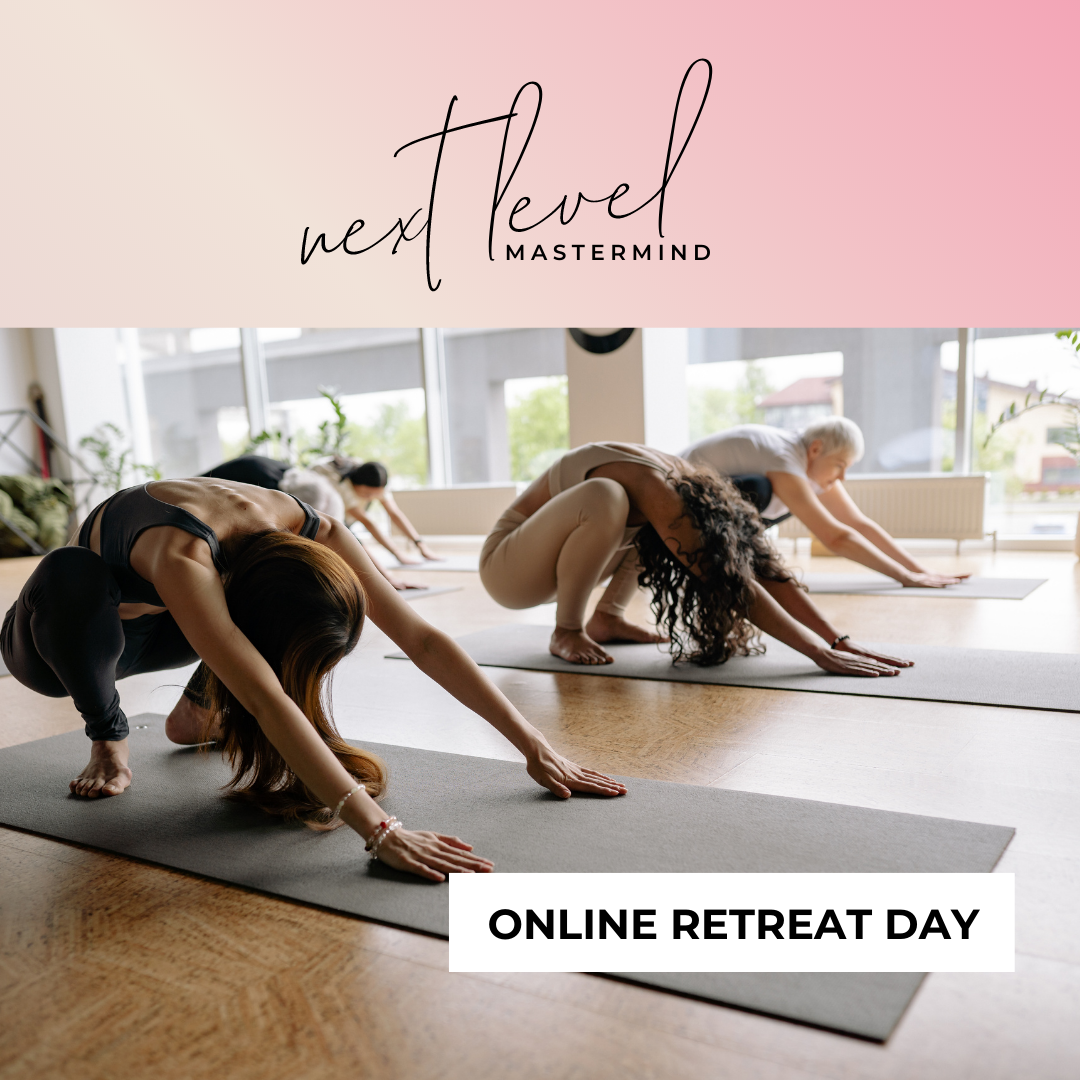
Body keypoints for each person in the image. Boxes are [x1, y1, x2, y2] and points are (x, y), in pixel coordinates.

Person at [0, 477, 625, 882]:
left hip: (174, 624)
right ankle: (107, 737)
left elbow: (423, 640)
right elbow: (267, 700)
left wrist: (533, 746)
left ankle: (198, 707)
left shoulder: (318, 533)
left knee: (204, 711)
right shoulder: (183, 556)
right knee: (71, 574)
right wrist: (379, 830)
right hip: (60, 647)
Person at [480, 441, 913, 672]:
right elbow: (726, 580)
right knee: (604, 496)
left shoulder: (690, 485)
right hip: (508, 570)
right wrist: (815, 651)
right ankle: (566, 630)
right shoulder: (656, 485)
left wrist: (836, 639)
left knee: (646, 526)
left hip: (556, 565)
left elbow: (762, 570)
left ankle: (606, 618)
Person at [681, 419, 968, 589]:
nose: (843, 477)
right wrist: (904, 578)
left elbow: (857, 524)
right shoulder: (784, 457)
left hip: (709, 501)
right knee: (762, 489)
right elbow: (835, 537)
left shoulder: (809, 463)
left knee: (791, 494)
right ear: (816, 448)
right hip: (679, 500)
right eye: (840, 465)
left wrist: (920, 571)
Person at [201, 454, 424, 590]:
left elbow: (347, 538)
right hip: (250, 473)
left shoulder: (324, 497)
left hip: (273, 473)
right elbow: (351, 538)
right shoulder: (269, 504)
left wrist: (387, 578)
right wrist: (386, 578)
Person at [309, 458, 445, 566]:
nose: (371, 498)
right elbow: (368, 523)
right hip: (320, 510)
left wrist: (421, 545)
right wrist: (397, 554)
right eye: (367, 494)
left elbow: (394, 514)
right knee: (351, 541)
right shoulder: (343, 487)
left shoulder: (376, 480)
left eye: (375, 495)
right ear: (355, 485)